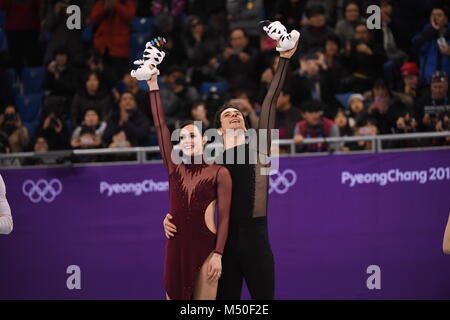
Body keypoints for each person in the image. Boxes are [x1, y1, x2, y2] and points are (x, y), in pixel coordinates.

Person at [165, 23, 298, 299]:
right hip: (221, 246)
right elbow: (184, 189)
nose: (235, 115)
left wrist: (284, 59)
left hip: (257, 240)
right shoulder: (209, 158)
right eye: (228, 115)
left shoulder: (259, 146)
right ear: (219, 129)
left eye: (239, 113)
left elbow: (270, 101)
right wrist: (169, 217)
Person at [143, 55, 232, 300]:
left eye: (192, 136)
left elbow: (225, 218)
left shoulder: (219, 172)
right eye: (182, 138)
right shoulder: (174, 167)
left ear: (204, 140)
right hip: (176, 246)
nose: (187, 141)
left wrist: (218, 254)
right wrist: (153, 85)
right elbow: (161, 126)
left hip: (206, 247)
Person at [412, 7, 450, 84]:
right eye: (433, 15)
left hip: (447, 82)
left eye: (439, 15)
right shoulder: (425, 34)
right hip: (427, 81)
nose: (435, 18)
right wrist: (432, 31)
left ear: (446, 19)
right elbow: (414, 44)